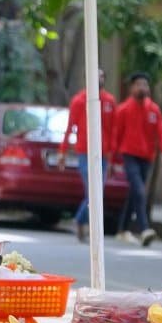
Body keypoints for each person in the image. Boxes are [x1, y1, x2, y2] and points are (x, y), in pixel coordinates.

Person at [112, 72, 162, 247]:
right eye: (138, 84)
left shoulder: (153, 110)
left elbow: (161, 132)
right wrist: (113, 159)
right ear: (132, 88)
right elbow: (116, 135)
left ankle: (122, 230)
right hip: (129, 155)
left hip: (147, 157)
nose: (142, 88)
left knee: (134, 193)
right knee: (139, 190)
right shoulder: (123, 110)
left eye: (145, 85)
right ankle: (144, 229)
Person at [58, 69, 117, 242]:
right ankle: (82, 222)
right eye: (95, 75)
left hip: (103, 154)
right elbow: (70, 127)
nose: (99, 79)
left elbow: (113, 130)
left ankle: (80, 220)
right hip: (85, 152)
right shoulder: (78, 101)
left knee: (98, 191)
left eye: (101, 76)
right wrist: (62, 151)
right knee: (93, 191)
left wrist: (112, 156)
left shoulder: (110, 101)